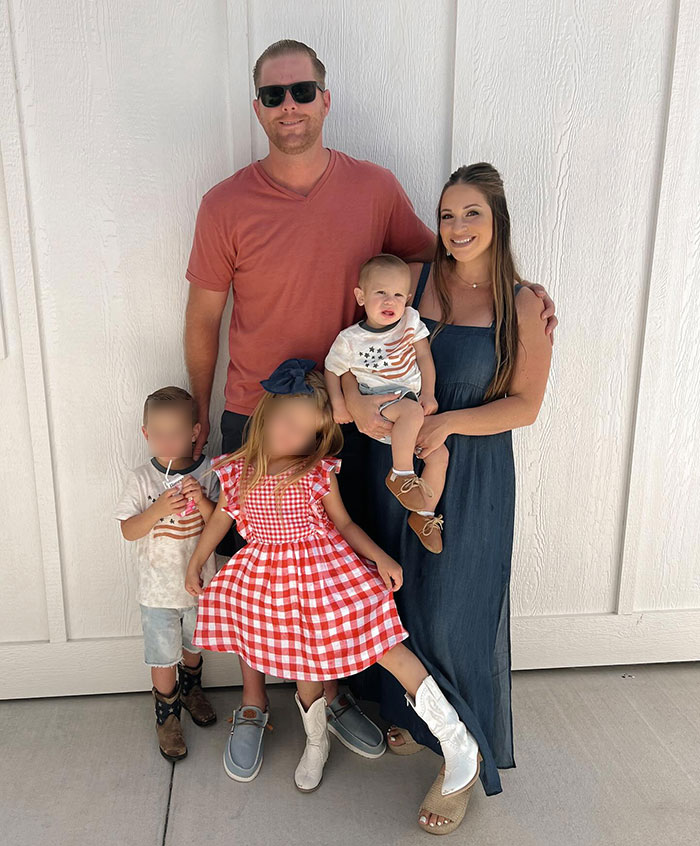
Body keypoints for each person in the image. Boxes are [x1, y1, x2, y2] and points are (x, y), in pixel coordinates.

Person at [184, 38, 557, 778]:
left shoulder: (375, 189)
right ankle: (257, 703)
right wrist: (200, 419)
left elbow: (446, 269)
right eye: (272, 95)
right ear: (256, 106)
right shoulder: (224, 204)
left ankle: (340, 695)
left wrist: (525, 294)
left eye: (301, 91)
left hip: (346, 421)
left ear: (326, 99)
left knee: (330, 567)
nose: (288, 106)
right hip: (258, 416)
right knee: (256, 570)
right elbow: (203, 319)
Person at [343, 163, 553, 835]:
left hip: (474, 474)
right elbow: (360, 356)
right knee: (401, 602)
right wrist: (364, 414)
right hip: (394, 466)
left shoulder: (521, 303)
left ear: (498, 223)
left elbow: (526, 406)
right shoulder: (414, 279)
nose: (457, 228)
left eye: (472, 215)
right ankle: (415, 716)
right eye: (447, 215)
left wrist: (450, 422)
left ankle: (461, 764)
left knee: (457, 609)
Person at [185, 359, 481, 798]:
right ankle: (316, 741)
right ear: (266, 412)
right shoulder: (235, 469)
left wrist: (379, 556)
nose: (289, 436)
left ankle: (455, 737)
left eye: (302, 431)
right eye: (285, 422)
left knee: (383, 643)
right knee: (302, 663)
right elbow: (220, 522)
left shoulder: (315, 470)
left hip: (325, 572)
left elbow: (343, 524)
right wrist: (197, 559)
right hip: (272, 580)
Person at [113, 387, 219, 761]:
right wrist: (157, 509)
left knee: (193, 644)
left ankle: (192, 690)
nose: (166, 442)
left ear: (194, 431)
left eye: (175, 433)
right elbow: (128, 530)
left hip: (199, 586)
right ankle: (167, 717)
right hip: (157, 591)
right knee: (162, 655)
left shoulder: (209, 472)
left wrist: (203, 500)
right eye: (157, 434)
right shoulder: (142, 479)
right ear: (145, 433)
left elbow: (222, 526)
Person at [325, 253, 447, 553]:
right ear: (361, 296)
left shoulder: (409, 322)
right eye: (381, 293)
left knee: (440, 454)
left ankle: (424, 515)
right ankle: (401, 474)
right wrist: (339, 404)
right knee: (409, 411)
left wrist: (429, 393)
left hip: (409, 407)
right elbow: (332, 370)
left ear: (407, 299)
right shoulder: (350, 339)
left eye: (397, 295)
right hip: (378, 402)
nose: (389, 301)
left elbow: (423, 357)